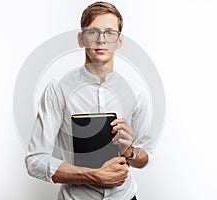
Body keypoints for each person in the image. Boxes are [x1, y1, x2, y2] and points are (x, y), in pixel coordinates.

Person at [25, 2, 152, 200]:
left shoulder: (136, 91)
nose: (101, 40)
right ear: (81, 38)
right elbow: (35, 161)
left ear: (119, 41)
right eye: (93, 32)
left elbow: (145, 158)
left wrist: (130, 151)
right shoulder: (58, 88)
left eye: (109, 33)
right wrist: (93, 175)